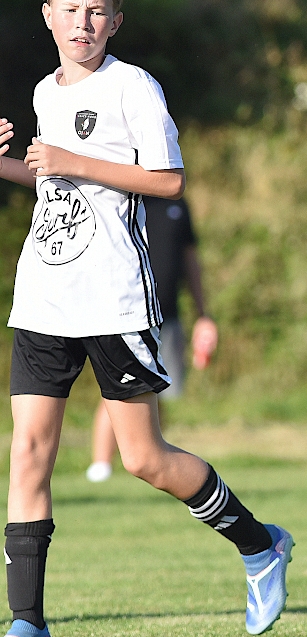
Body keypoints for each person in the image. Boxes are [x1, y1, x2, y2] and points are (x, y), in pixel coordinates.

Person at [0, 0, 292, 637]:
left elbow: (168, 180)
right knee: (29, 450)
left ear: (116, 21)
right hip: (44, 294)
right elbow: (54, 186)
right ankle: (29, 624)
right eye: (69, 10)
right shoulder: (46, 92)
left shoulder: (134, 86)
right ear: (47, 16)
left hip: (113, 298)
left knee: (143, 458)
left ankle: (260, 544)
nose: (82, 22)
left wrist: (73, 160)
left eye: (95, 11)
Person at [86, 195, 218, 483]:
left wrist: (203, 313)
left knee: (156, 390)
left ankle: (153, 456)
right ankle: (101, 464)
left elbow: (190, 258)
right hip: (127, 314)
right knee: (122, 387)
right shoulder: (121, 196)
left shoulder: (177, 203)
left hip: (167, 315)